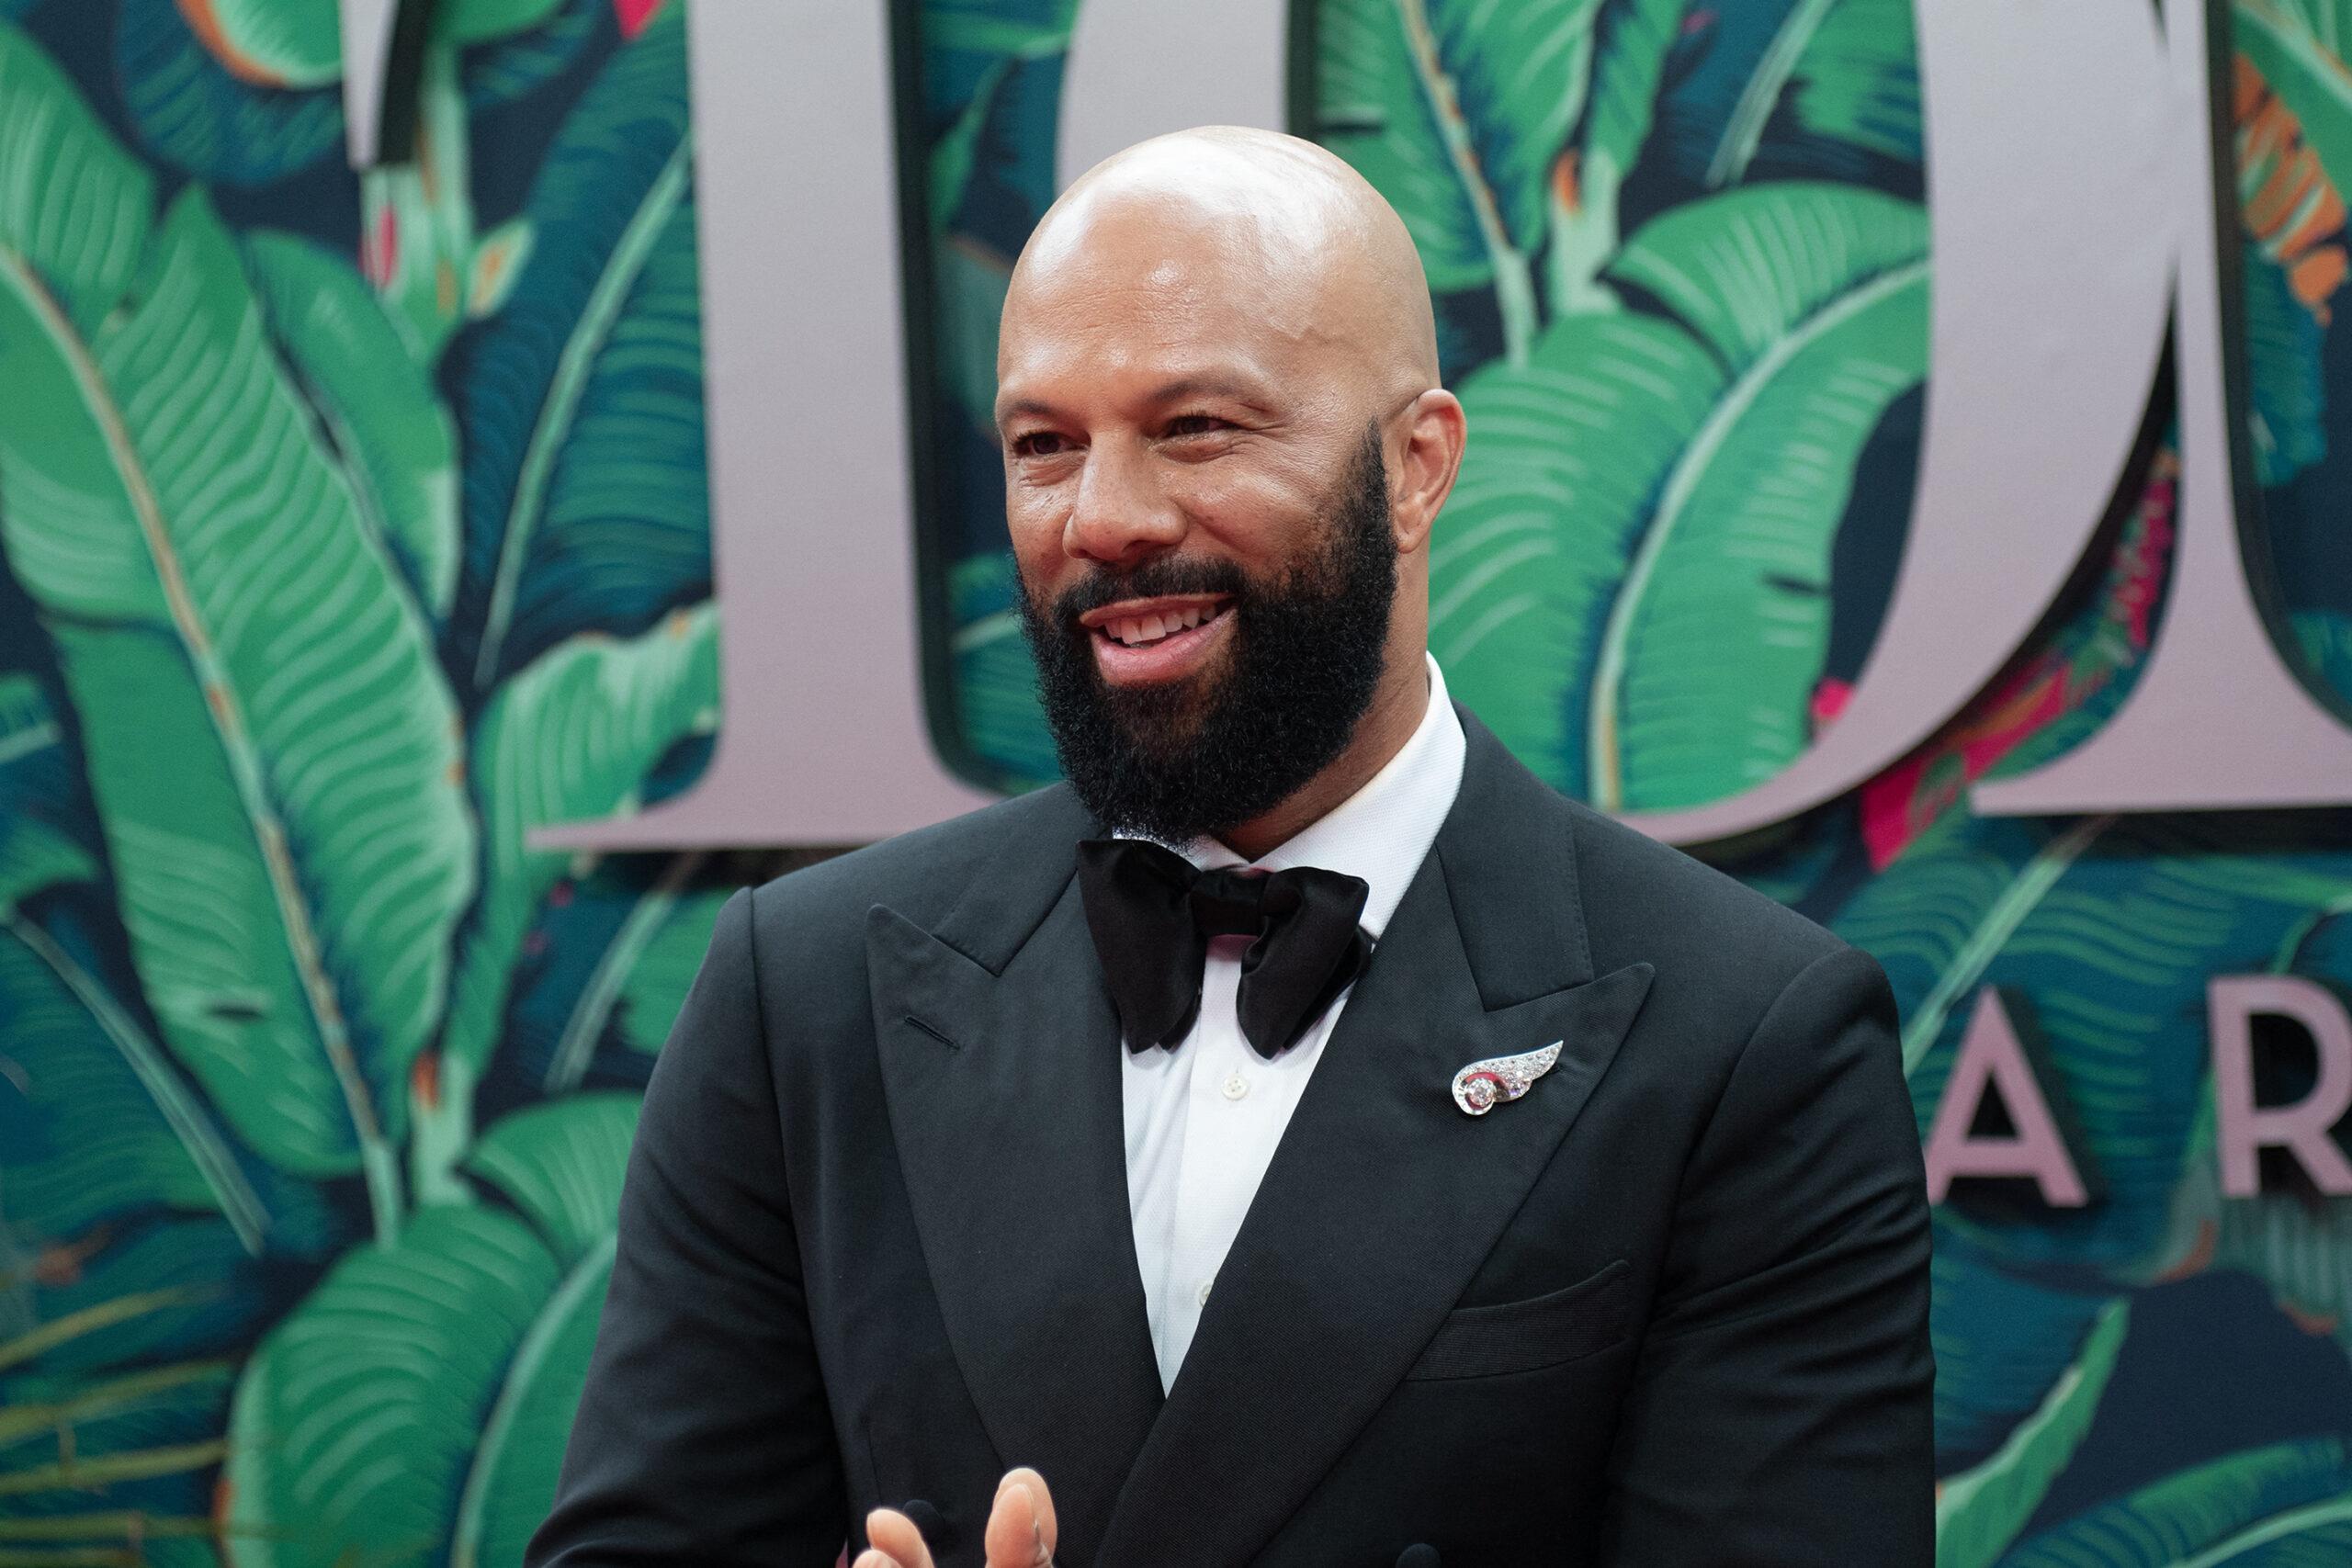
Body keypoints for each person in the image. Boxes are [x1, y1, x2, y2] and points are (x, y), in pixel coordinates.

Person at [527, 126, 1933, 1568]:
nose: (1108, 519)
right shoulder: (804, 995)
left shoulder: (1747, 1040)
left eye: (1196, 428)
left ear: (1414, 468)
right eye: (1043, 446)